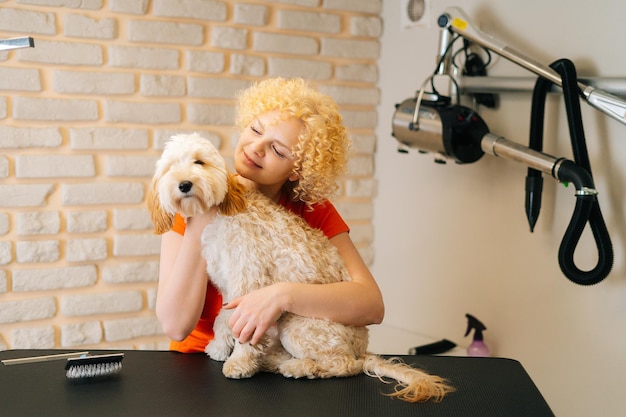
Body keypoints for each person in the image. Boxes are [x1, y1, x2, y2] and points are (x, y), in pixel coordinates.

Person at [156, 77, 384, 353]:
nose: (256, 147)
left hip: (274, 364)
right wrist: (205, 215)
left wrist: (282, 296)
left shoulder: (311, 209)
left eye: (277, 149)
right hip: (198, 362)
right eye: (255, 130)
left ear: (298, 170)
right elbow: (176, 326)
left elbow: (371, 304)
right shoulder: (194, 195)